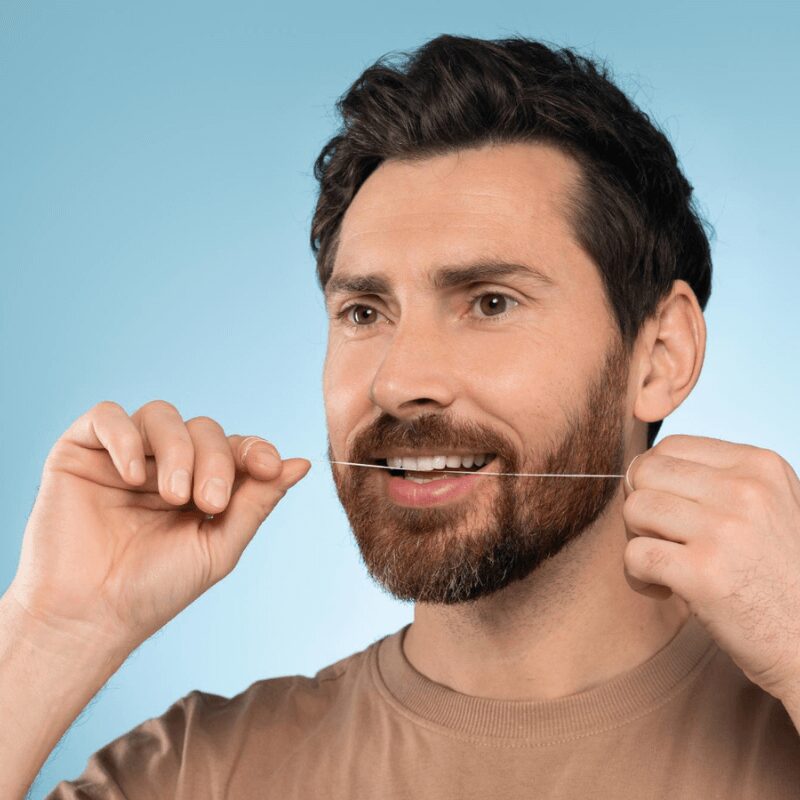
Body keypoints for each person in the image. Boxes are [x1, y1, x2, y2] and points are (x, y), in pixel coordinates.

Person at [2, 33, 799, 800]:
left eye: (490, 302)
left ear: (659, 357)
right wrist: (52, 633)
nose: (398, 381)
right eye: (362, 312)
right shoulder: (196, 775)